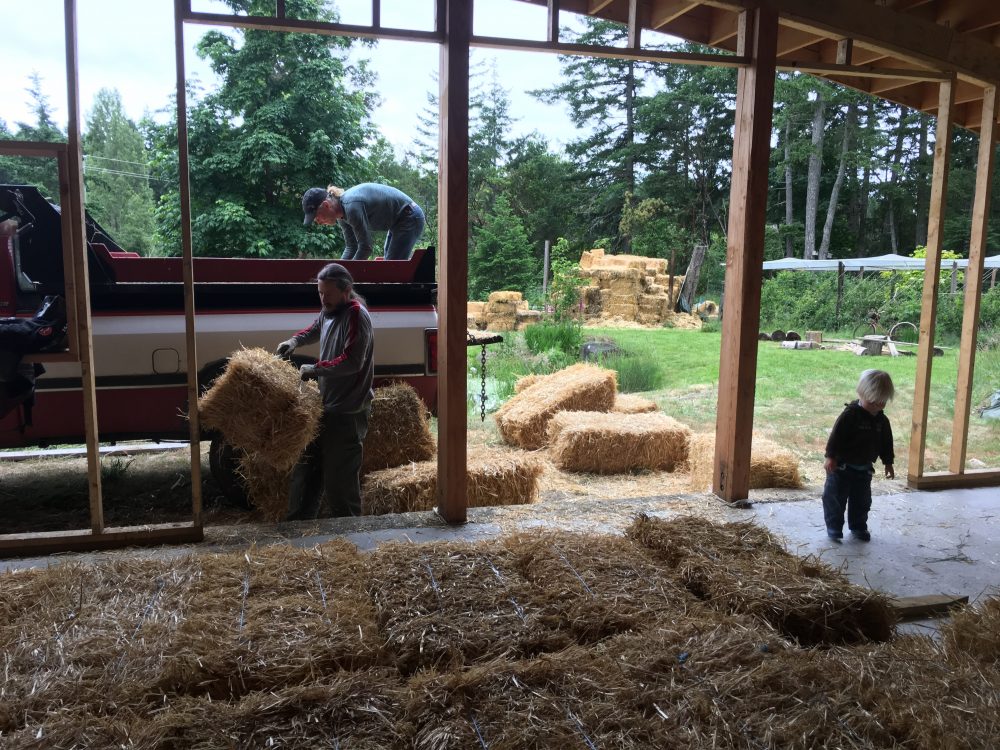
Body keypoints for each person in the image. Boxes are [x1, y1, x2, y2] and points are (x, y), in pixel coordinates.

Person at [276, 263, 374, 519]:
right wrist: (294, 341)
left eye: (328, 293)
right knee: (306, 471)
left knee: (340, 483)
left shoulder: (356, 315)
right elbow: (315, 329)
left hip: (348, 411)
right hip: (325, 406)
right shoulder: (329, 310)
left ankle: (350, 532)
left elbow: (353, 362)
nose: (323, 298)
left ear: (346, 290)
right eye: (320, 293)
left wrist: (316, 369)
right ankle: (300, 526)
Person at [822, 369, 895, 542]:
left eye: (882, 402)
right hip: (841, 468)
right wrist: (830, 457)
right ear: (861, 394)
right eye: (872, 402)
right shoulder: (850, 415)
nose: (877, 406)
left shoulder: (882, 421)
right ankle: (834, 527)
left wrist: (888, 462)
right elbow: (836, 437)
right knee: (835, 499)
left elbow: (886, 443)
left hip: (864, 470)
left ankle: (858, 526)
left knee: (862, 502)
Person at [301, 183, 425, 261]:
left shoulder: (352, 207)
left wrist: (345, 275)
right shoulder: (342, 214)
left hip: (409, 216)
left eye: (317, 217)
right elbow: (351, 247)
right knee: (390, 265)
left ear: (326, 205)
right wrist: (338, 270)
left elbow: (366, 247)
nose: (318, 222)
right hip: (398, 221)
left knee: (392, 269)